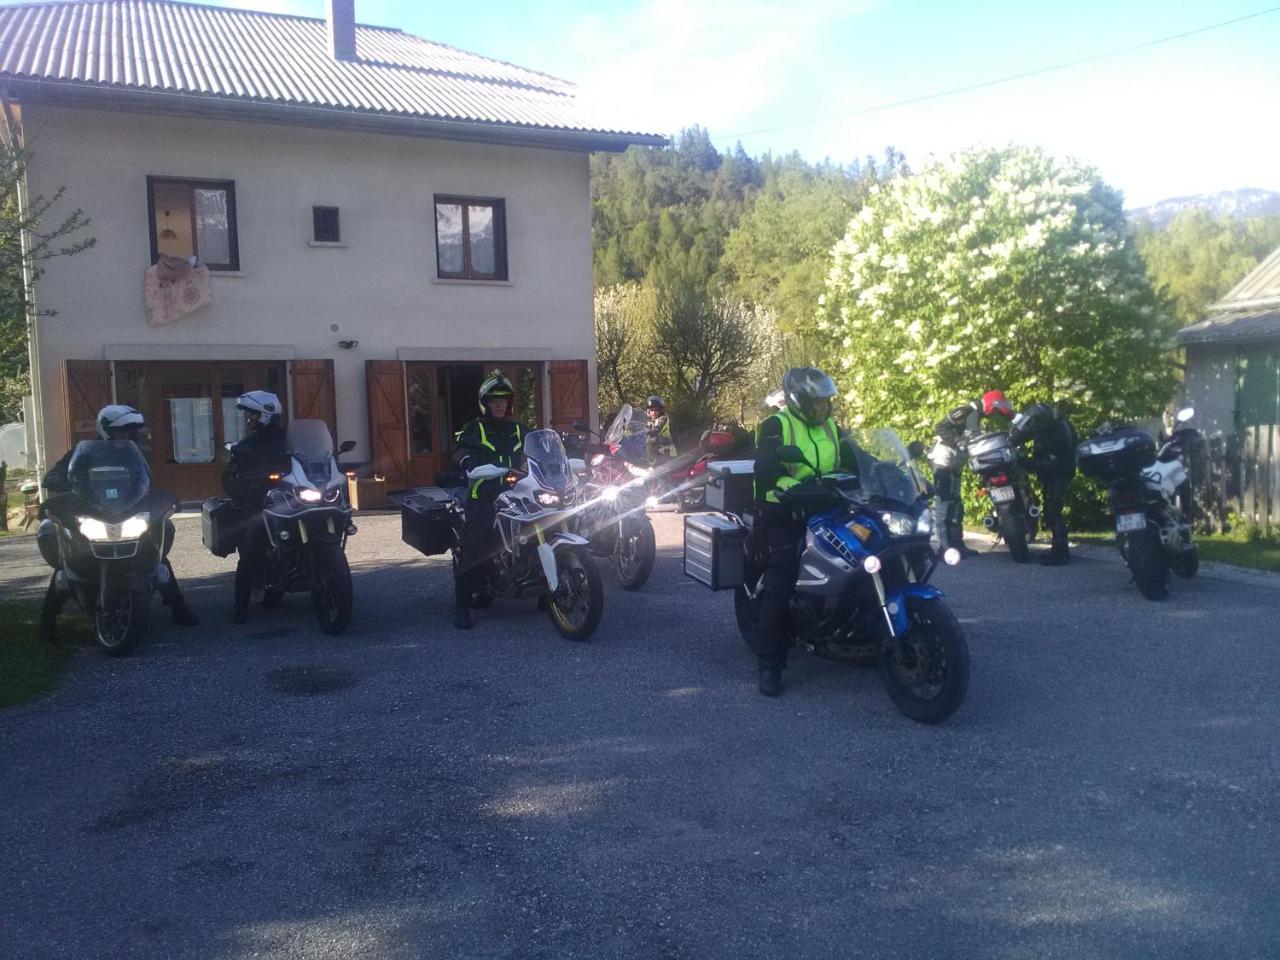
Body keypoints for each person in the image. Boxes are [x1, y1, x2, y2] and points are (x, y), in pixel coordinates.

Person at [39, 404, 199, 640]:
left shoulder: (135, 452)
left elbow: (145, 479)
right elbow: (56, 473)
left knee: (156, 552)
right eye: (121, 430)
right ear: (105, 429)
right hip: (94, 511)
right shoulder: (84, 453)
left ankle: (178, 608)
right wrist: (60, 481)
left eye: (130, 430)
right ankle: (47, 620)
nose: (126, 435)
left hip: (127, 511)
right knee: (69, 562)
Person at [751, 367, 862, 697]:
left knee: (861, 553)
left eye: (827, 402)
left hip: (825, 505)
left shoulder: (830, 426)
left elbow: (855, 458)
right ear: (799, 401)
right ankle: (771, 663)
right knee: (782, 578)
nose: (824, 408)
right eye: (818, 403)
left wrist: (886, 470)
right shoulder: (776, 425)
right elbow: (766, 470)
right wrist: (794, 488)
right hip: (783, 510)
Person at [451, 372, 530, 630]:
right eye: (494, 400)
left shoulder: (520, 429)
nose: (499, 405)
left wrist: (569, 450)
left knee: (547, 524)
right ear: (486, 403)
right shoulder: (476, 428)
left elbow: (542, 446)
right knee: (475, 545)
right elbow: (460, 447)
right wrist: (466, 460)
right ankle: (462, 605)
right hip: (485, 495)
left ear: (509, 403)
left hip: (519, 493)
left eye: (503, 400)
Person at [222, 390, 288, 623]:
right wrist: (248, 487)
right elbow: (230, 478)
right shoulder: (245, 447)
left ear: (266, 414)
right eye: (248, 415)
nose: (248, 420)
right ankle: (241, 608)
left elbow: (310, 456)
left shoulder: (291, 439)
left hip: (293, 500)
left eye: (252, 415)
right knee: (251, 547)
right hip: (262, 503)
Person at [1009, 399, 1078, 565]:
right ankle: (1058, 551)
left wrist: (1024, 461)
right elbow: (1024, 434)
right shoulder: (1051, 427)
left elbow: (1049, 462)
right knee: (1051, 509)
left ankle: (1061, 554)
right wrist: (1011, 442)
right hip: (1054, 472)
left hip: (1058, 473)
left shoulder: (1059, 432)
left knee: (1053, 510)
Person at [644, 396, 677, 461]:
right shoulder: (650, 421)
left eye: (656, 410)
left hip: (667, 452)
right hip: (657, 451)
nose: (653, 412)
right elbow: (643, 430)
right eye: (651, 410)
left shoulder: (662, 419)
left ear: (661, 410)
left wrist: (649, 431)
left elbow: (657, 429)